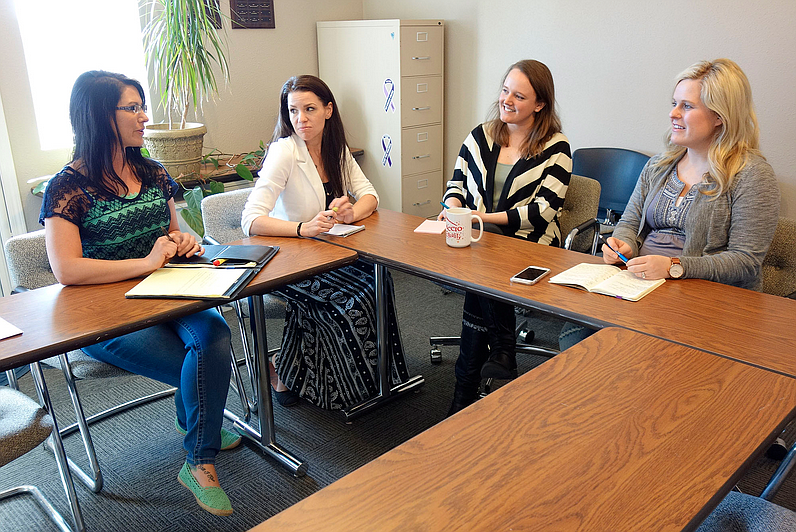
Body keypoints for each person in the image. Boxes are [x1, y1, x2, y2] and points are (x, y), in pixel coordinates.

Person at [40, 71, 238, 516]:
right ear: (98, 115)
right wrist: (146, 263)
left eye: (141, 106)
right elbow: (67, 269)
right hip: (105, 313)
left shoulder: (151, 170)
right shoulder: (67, 187)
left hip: (171, 289)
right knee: (202, 368)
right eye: (133, 108)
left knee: (216, 338)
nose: (144, 116)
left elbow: (174, 229)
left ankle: (197, 456)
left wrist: (186, 241)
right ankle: (201, 429)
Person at [559, 58, 780, 350]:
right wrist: (622, 243)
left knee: (616, 355)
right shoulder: (658, 165)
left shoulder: (752, 175)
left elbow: (745, 261)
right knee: (576, 339)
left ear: (720, 116)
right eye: (674, 103)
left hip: (705, 304)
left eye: (687, 106)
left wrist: (674, 267)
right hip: (639, 286)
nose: (673, 113)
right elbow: (629, 221)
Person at [241, 75, 410, 410]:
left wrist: (350, 214)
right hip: (289, 258)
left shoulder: (335, 148)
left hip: (329, 253)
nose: (300, 119)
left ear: (328, 110)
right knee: (342, 304)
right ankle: (335, 387)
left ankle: (375, 380)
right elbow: (251, 220)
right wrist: (302, 228)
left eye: (309, 109)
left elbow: (370, 196)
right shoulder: (283, 152)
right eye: (293, 111)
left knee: (378, 282)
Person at [439, 60, 571, 415]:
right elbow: (455, 184)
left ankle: (464, 392)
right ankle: (501, 348)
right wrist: (453, 207)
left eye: (519, 96)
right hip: (478, 242)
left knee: (481, 258)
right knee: (483, 258)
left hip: (531, 244)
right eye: (505, 90)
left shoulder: (556, 147)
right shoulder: (480, 135)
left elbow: (542, 211)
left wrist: (480, 219)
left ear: (540, 104)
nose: (507, 100)